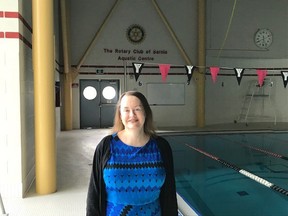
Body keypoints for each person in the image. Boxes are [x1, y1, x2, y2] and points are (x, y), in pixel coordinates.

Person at [86, 91, 178, 216]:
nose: (132, 115)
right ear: (120, 114)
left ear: (145, 112)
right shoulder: (106, 146)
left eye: (137, 109)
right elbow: (94, 194)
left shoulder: (161, 147)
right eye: (126, 110)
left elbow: (169, 193)